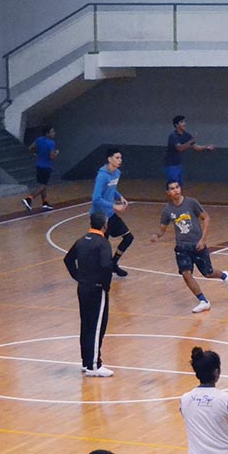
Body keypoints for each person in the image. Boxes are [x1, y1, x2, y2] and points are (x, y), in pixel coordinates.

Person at [150, 180, 228, 313]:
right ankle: (203, 301)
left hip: (197, 245)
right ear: (168, 192)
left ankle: (224, 276)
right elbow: (162, 229)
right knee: (186, 274)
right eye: (172, 189)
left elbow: (206, 218)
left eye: (177, 187)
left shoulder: (191, 203)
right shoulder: (167, 210)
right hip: (182, 247)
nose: (176, 190)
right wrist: (157, 235)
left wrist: (203, 239)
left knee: (208, 273)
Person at [64, 213, 115, 377]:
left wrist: (78, 276)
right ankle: (94, 365)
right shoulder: (103, 243)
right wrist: (105, 285)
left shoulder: (81, 240)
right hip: (96, 289)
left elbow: (68, 259)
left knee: (86, 325)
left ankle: (86, 362)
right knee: (97, 326)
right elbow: (107, 265)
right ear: (105, 225)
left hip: (83, 287)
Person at [91, 148, 133, 278]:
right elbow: (96, 198)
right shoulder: (102, 176)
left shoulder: (117, 173)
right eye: (117, 158)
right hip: (99, 216)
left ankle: (113, 263)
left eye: (121, 158)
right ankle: (96, 271)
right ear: (110, 159)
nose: (120, 160)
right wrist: (114, 206)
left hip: (110, 214)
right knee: (102, 247)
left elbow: (112, 188)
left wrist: (120, 197)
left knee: (128, 237)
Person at [165, 115, 214, 185]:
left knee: (179, 186)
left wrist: (206, 147)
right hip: (170, 165)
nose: (184, 124)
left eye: (184, 121)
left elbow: (195, 147)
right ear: (176, 125)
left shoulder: (186, 135)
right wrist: (190, 141)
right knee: (173, 185)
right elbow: (180, 148)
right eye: (181, 122)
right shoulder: (173, 136)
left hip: (179, 164)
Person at [23, 125, 58, 211]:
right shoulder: (51, 143)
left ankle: (45, 203)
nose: (54, 133)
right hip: (46, 166)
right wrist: (56, 153)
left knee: (42, 184)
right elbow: (51, 157)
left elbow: (30, 148)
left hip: (38, 165)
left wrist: (35, 154)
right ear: (47, 133)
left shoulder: (39, 139)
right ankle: (29, 199)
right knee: (43, 185)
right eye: (52, 132)